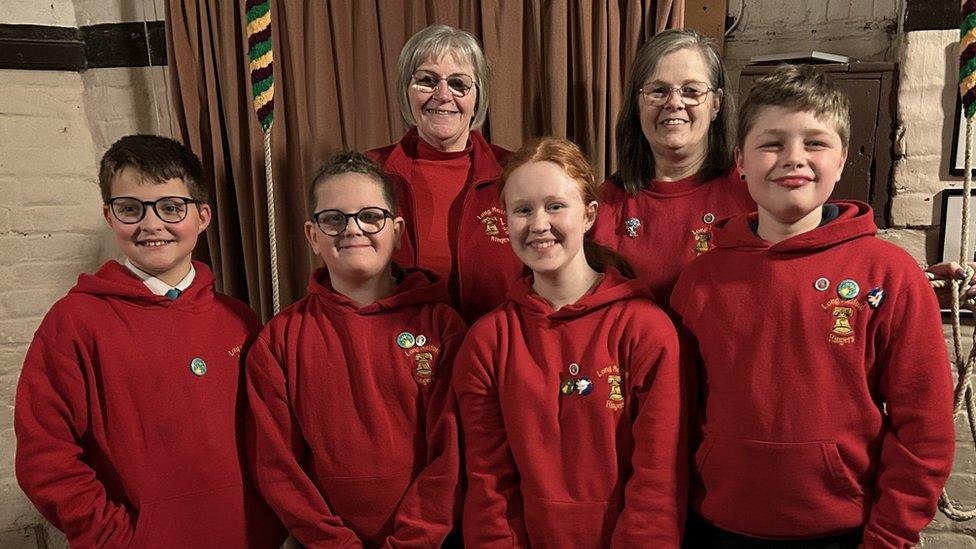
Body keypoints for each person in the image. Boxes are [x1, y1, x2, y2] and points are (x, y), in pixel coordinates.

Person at [670, 65, 954, 547]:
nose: (793, 158)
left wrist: (888, 537)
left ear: (842, 159)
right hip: (716, 525)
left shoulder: (890, 274)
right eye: (772, 143)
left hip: (846, 531)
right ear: (740, 160)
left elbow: (923, 429)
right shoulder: (699, 280)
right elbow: (674, 421)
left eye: (815, 143)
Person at [14, 135, 285, 548]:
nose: (152, 225)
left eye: (171, 208)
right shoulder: (73, 323)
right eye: (130, 209)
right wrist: (113, 538)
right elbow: (46, 457)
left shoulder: (239, 319)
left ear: (203, 216)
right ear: (109, 216)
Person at [453, 137, 687, 547]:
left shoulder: (646, 329)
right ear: (506, 221)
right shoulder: (487, 341)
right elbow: (490, 485)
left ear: (589, 214)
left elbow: (657, 482)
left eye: (555, 205)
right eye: (523, 210)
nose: (539, 223)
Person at [245, 152, 465, 547]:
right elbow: (277, 467)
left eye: (370, 216)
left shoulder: (442, 327)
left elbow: (451, 456)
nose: (353, 229)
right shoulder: (278, 340)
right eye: (334, 219)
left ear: (397, 231)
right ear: (313, 235)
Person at [367, 23, 521, 323]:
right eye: (427, 80)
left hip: (496, 355)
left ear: (478, 95)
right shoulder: (370, 173)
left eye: (459, 84)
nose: (442, 94)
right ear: (405, 90)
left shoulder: (516, 173)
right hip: (396, 352)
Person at [594, 29, 754, 304]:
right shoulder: (603, 203)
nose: (675, 103)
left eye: (691, 91)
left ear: (716, 103)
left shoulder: (751, 196)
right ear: (637, 104)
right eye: (658, 91)